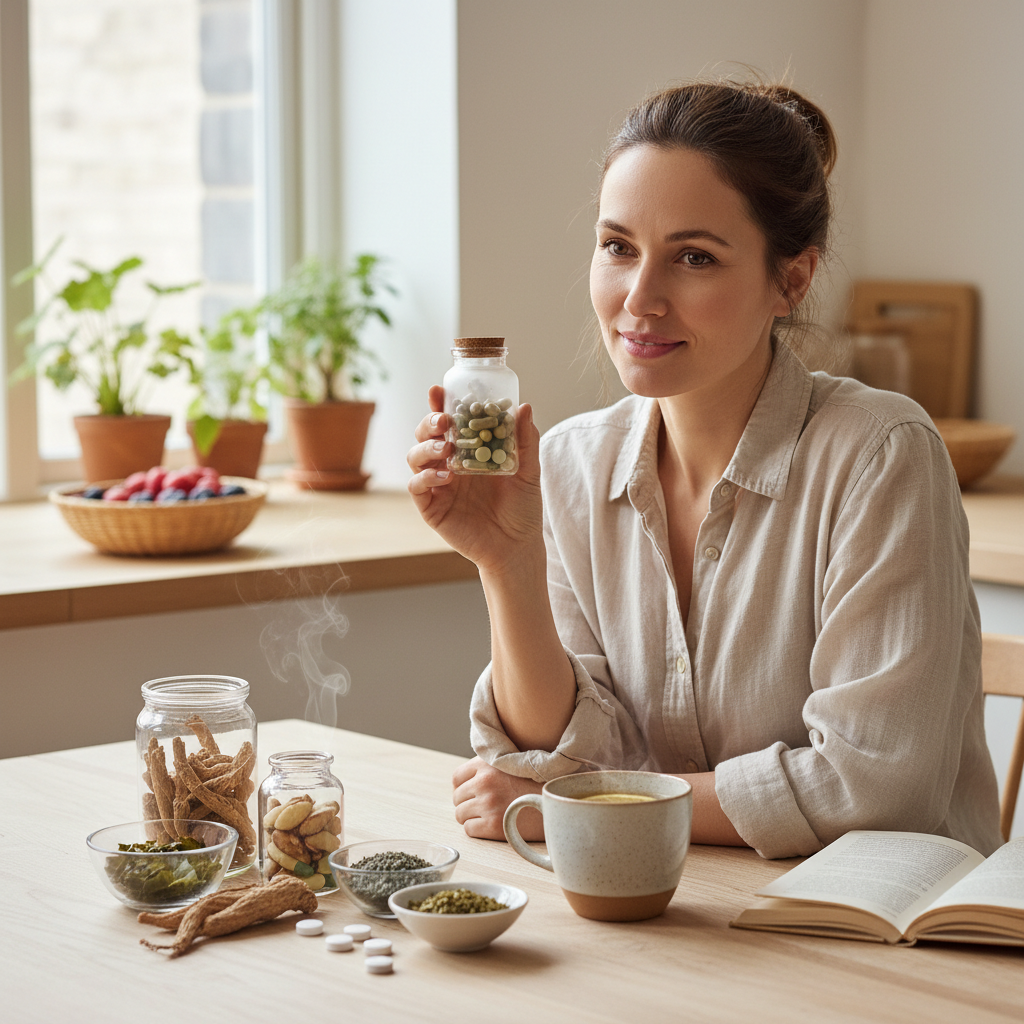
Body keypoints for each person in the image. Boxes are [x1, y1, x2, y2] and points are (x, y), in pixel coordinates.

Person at [406, 77, 1004, 859]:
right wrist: (507, 562)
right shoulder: (570, 465)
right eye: (618, 247)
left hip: (876, 939)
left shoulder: (880, 455)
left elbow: (875, 784)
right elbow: (567, 756)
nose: (640, 299)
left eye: (693, 257)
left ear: (791, 279)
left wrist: (588, 806)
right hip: (675, 914)